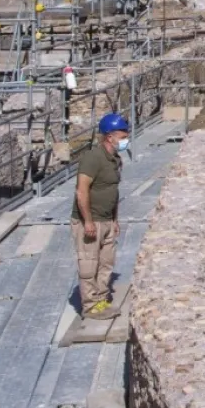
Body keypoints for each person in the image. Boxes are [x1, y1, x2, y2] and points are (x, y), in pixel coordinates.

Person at [73, 112, 129, 319]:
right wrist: (87, 221)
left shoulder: (114, 159)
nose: (125, 140)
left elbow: (113, 191)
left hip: (106, 219)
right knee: (89, 263)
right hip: (91, 220)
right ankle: (90, 306)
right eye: (122, 137)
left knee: (106, 262)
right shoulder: (92, 158)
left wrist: (115, 220)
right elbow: (82, 191)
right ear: (109, 137)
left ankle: (101, 298)